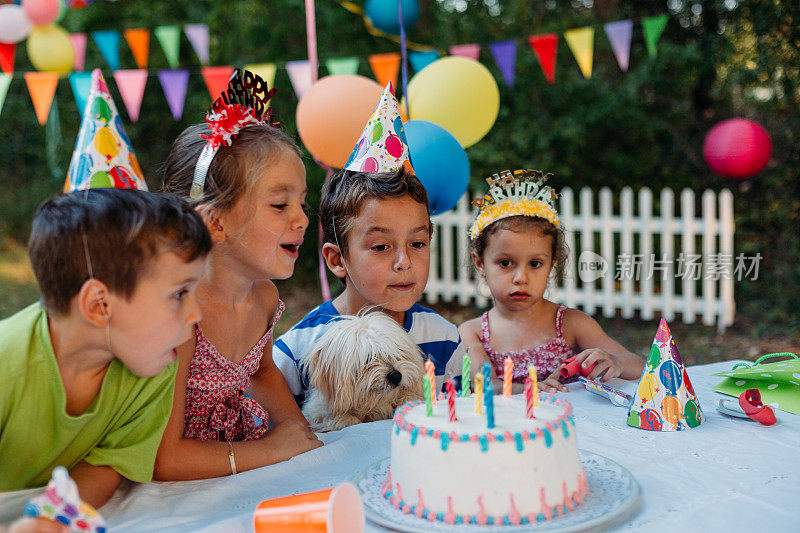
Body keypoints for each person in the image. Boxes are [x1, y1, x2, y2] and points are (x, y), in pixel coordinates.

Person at [0, 188, 211, 512]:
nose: (197, 313)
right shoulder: (6, 367)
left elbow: (107, 464)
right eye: (181, 293)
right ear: (99, 305)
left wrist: (53, 520)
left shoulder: (154, 368)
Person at [157, 70, 321, 481]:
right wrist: (272, 449)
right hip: (188, 479)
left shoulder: (263, 298)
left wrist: (296, 432)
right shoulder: (179, 316)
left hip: (243, 452)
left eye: (302, 202)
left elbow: (262, 373)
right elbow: (164, 460)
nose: (302, 219)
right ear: (215, 222)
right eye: (280, 205)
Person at [273, 83, 463, 406]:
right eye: (381, 247)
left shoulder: (444, 339)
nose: (404, 261)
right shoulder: (296, 353)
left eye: (417, 243)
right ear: (336, 260)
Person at [459, 170, 644, 394]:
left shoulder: (570, 324)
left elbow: (641, 367)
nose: (521, 278)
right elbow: (486, 385)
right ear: (480, 263)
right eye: (505, 263)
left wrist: (617, 362)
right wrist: (532, 389)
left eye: (535, 264)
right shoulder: (473, 332)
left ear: (552, 263)